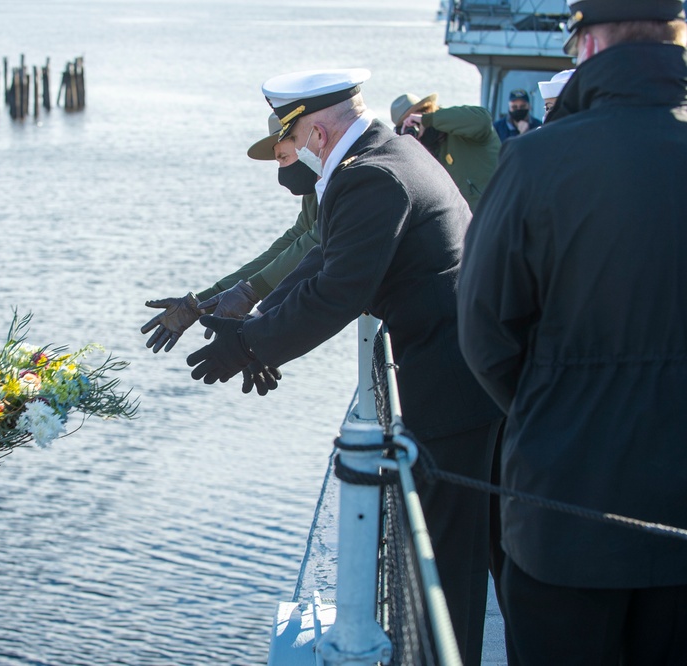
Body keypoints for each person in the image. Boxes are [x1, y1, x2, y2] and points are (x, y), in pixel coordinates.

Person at [186, 69, 503, 665]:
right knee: (449, 550)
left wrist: (249, 346)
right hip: (457, 369)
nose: (293, 155)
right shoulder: (386, 155)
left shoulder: (371, 178)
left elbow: (337, 294)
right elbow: (324, 264)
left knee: (446, 562)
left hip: (451, 381)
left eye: (294, 138)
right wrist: (252, 334)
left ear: (320, 131)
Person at [457, 1, 687, 663]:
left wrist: (550, 413)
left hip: (564, 520)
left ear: (585, 46)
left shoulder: (535, 163)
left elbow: (484, 333)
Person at [140, 114, 319, 376]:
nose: (281, 172)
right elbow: (296, 239)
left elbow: (314, 247)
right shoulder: (316, 188)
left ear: (307, 142)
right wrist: (202, 301)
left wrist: (257, 336)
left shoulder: (339, 179)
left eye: (283, 158)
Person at [390, 92, 500, 212]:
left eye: (414, 120)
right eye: (407, 126)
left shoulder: (461, 126)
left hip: (496, 212)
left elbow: (483, 120)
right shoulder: (426, 153)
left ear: (428, 110)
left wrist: (428, 120)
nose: (416, 126)